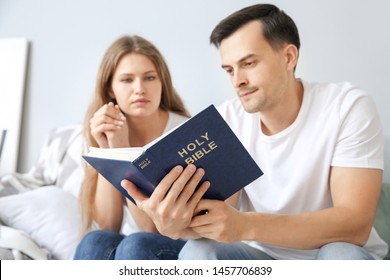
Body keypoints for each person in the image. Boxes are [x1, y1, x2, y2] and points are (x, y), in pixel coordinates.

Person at [122, 4, 388, 259]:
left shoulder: (347, 107)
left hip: (335, 253)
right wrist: (176, 225)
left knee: (338, 254)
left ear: (289, 57)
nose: (238, 81)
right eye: (229, 70)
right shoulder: (227, 120)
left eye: (248, 64)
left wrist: (246, 225)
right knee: (198, 251)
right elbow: (220, 214)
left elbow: (355, 224)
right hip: (260, 257)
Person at [74, 35, 194, 260]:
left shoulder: (184, 132)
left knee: (136, 245)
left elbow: (152, 229)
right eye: (127, 80)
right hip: (133, 244)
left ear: (162, 83)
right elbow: (108, 225)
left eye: (149, 78)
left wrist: (122, 149)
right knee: (94, 241)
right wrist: (108, 151)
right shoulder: (104, 129)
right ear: (110, 88)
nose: (139, 89)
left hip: (181, 242)